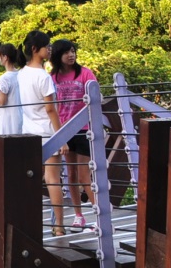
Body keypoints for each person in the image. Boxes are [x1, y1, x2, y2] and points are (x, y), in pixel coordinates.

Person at [19, 30, 66, 236]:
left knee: (30, 179)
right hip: (47, 132)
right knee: (53, 179)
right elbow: (50, 109)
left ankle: (27, 223)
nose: (50, 49)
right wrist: (61, 137)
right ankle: (59, 226)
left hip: (28, 133)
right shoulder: (43, 77)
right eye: (46, 46)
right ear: (34, 49)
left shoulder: (21, 74)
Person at [51, 39, 98, 230]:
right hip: (63, 130)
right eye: (66, 52)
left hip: (84, 129)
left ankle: (98, 211)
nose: (71, 55)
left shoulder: (85, 73)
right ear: (58, 55)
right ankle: (78, 215)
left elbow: (96, 97)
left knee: (84, 175)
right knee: (70, 174)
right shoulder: (52, 77)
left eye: (73, 51)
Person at [0, 43, 25, 136]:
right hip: (20, 116)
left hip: (8, 119)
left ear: (5, 57)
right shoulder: (19, 74)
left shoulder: (4, 78)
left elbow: (1, 102)